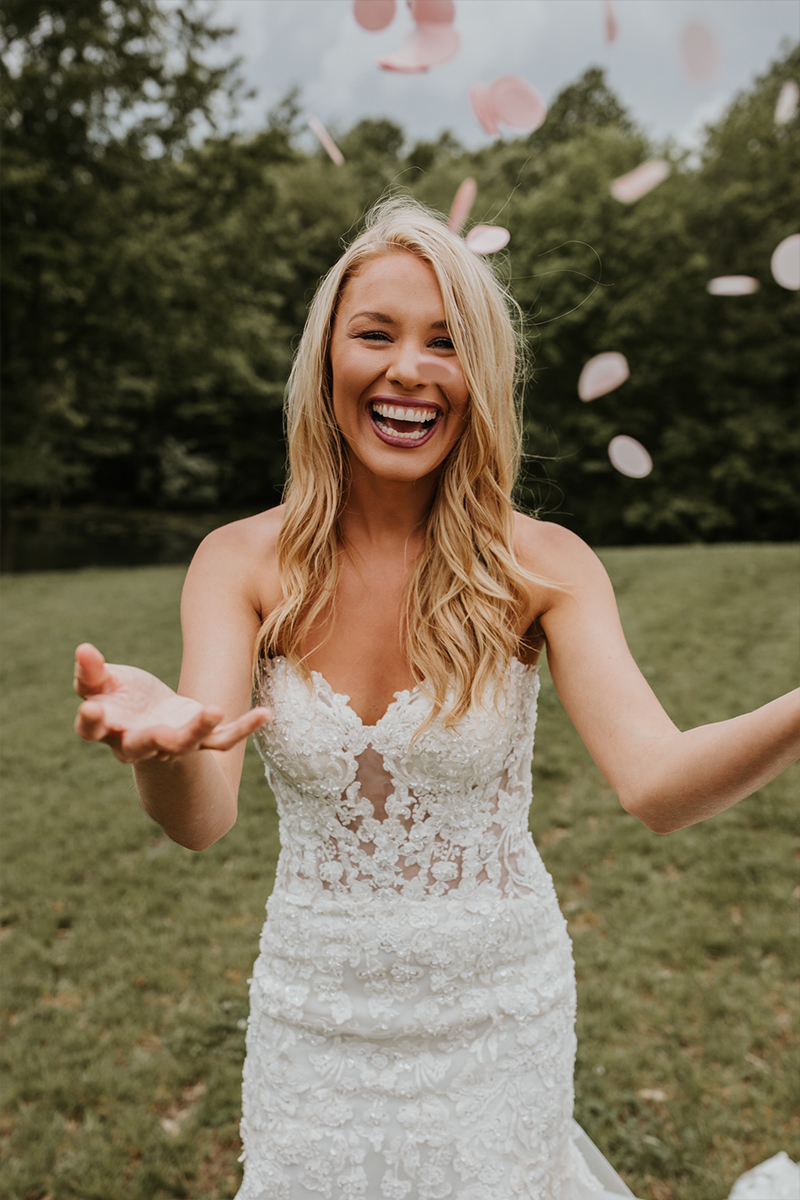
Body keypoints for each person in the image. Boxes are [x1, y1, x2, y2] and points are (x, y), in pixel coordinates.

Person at [74, 199, 799, 1200]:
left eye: (446, 344)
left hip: (498, 1014)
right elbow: (203, 821)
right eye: (375, 333)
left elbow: (659, 785)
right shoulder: (237, 563)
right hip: (312, 1015)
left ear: (482, 379)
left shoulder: (544, 565)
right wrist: (164, 755)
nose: (408, 369)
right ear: (326, 357)